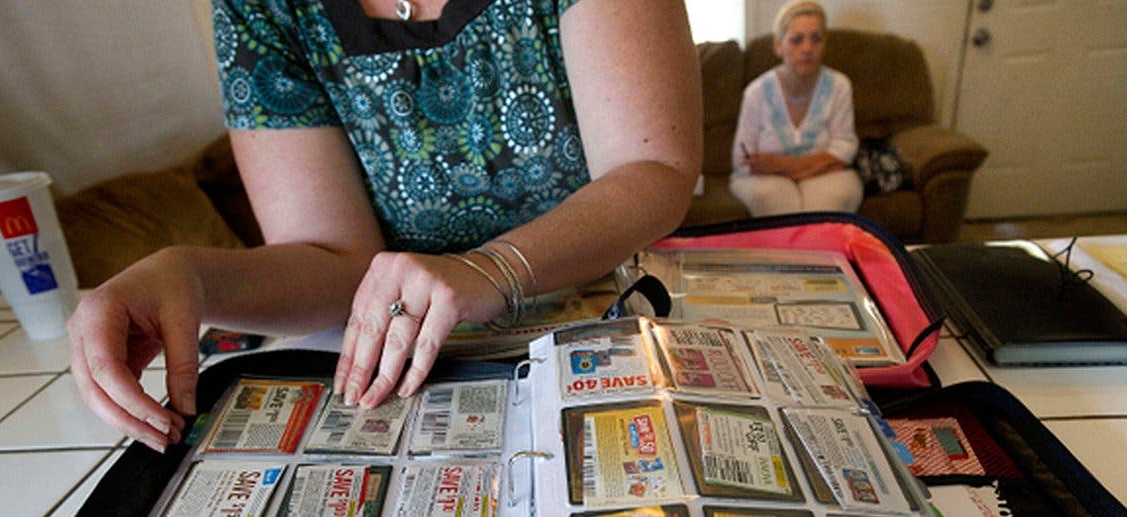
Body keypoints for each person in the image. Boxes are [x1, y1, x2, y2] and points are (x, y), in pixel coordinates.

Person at [68, 0, 701, 453]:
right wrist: (189, 275)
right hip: (416, 370)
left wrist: (490, 268)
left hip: (604, 318)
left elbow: (654, 169)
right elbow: (334, 259)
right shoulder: (263, 8)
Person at [729, 0, 860, 216]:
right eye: (797, 40)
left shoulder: (839, 86)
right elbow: (743, 162)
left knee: (826, 207)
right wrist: (819, 163)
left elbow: (845, 150)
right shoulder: (756, 92)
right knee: (778, 203)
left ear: (824, 44)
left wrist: (780, 165)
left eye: (815, 39)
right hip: (770, 180)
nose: (807, 49)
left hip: (825, 178)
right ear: (778, 46)